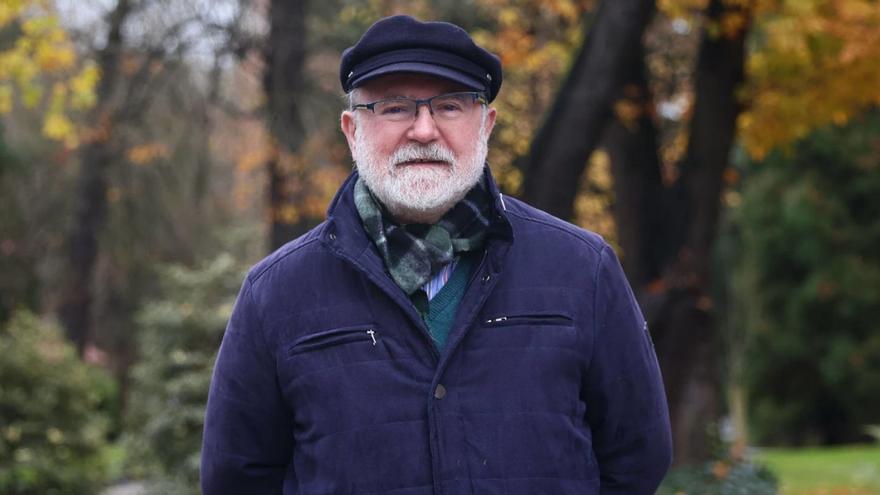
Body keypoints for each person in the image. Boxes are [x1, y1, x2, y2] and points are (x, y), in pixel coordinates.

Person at [201, 15, 672, 495]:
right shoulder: (276, 293)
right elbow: (237, 478)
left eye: (449, 106)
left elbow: (637, 456)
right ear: (351, 130)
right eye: (395, 108)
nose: (424, 130)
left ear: (485, 125)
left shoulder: (582, 270)